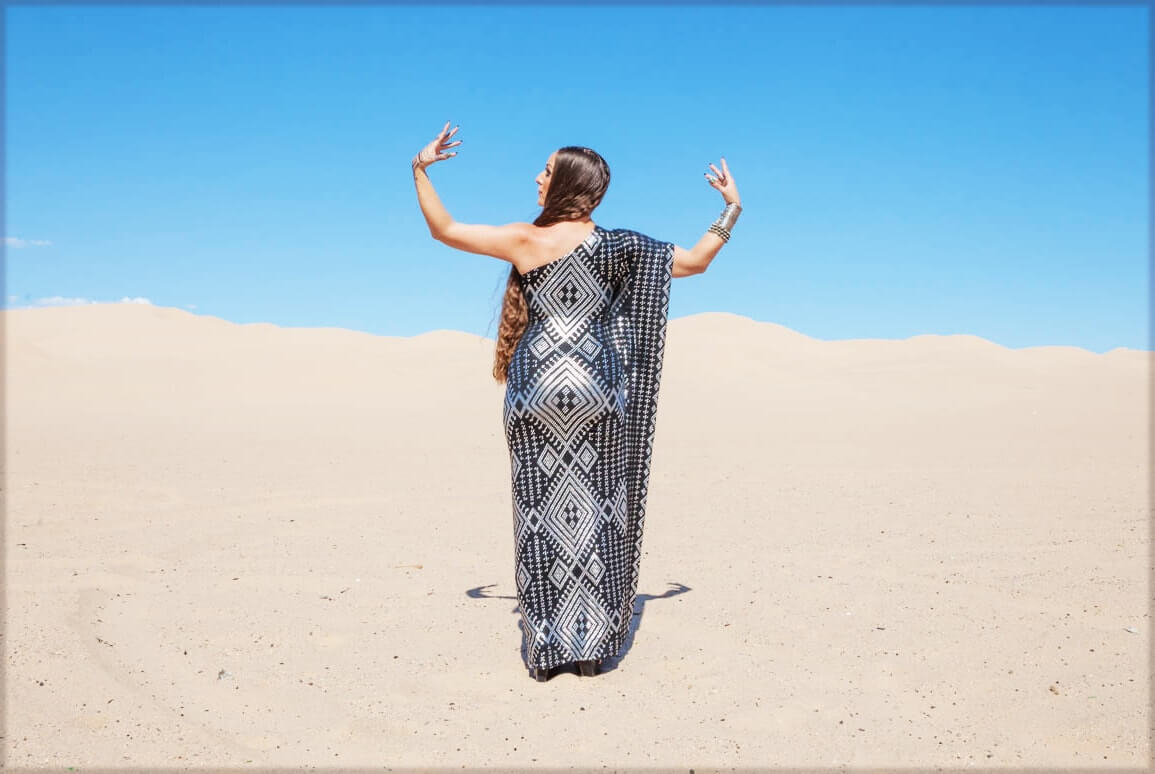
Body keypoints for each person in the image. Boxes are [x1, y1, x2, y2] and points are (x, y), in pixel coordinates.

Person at [411, 121, 742, 681]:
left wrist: (419, 169)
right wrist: (731, 209)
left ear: (566, 182)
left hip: (536, 386)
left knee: (538, 516)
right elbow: (695, 262)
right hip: (597, 387)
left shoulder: (523, 240)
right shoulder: (623, 247)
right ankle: (590, 647)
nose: (537, 179)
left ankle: (547, 650)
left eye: (545, 171)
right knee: (598, 513)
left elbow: (444, 230)